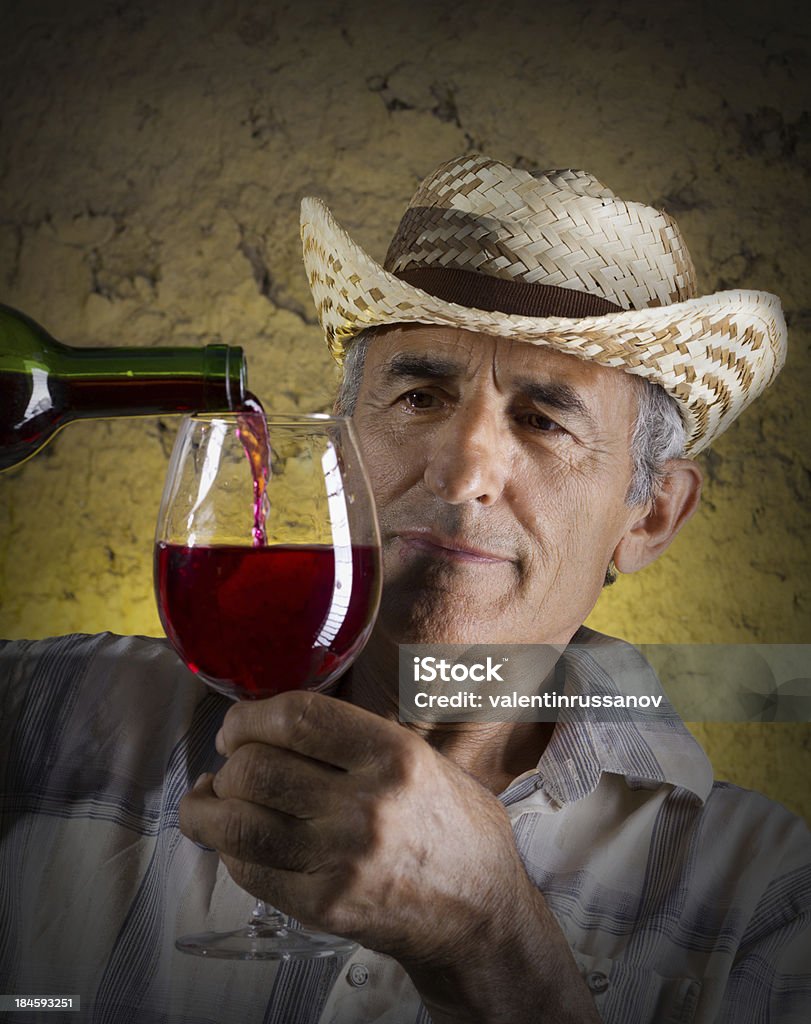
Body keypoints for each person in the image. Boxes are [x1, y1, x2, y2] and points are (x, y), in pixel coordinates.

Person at [1, 154, 808, 1024]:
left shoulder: (766, 897)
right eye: (420, 395)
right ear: (340, 447)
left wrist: (491, 940)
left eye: (542, 420)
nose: (461, 470)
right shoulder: (47, 726)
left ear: (648, 517)